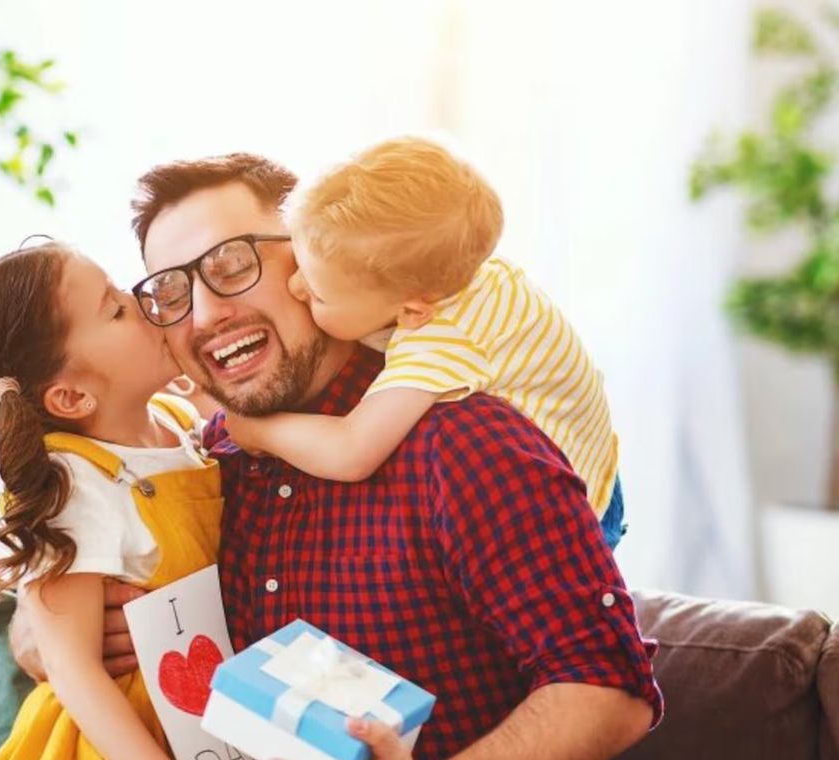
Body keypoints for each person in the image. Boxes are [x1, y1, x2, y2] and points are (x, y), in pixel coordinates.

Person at [12, 152, 663, 760]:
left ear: (310, 259)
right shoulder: (202, 467)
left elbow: (609, 689)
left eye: (231, 263)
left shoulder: (465, 442)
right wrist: (40, 635)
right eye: (169, 291)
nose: (205, 314)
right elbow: (58, 567)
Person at [0, 241, 354, 760]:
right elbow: (73, 668)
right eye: (115, 308)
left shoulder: (176, 421)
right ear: (71, 395)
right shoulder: (74, 481)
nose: (143, 302)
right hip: (119, 755)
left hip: (207, 726)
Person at [219, 136, 624, 548]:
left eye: (319, 294)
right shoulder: (452, 269)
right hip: (595, 447)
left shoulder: (443, 340)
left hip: (577, 507)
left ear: (412, 312)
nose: (294, 286)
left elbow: (352, 450)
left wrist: (257, 431)